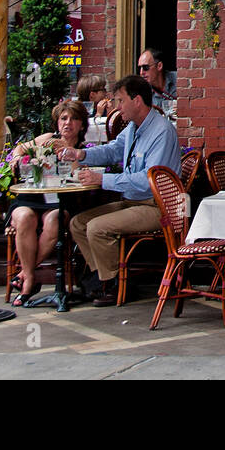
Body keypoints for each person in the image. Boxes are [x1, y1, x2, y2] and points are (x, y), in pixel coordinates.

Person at [65, 75, 180, 306]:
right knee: (78, 223)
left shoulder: (162, 131)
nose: (116, 107)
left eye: (120, 100)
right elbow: (113, 150)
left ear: (137, 100)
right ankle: (104, 279)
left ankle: (115, 284)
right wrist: (82, 155)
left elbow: (150, 181)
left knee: (97, 227)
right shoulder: (133, 128)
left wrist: (102, 179)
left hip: (157, 206)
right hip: (133, 201)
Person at [8, 99, 90, 307]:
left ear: (82, 125)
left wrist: (68, 152)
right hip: (32, 196)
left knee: (55, 220)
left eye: (74, 119)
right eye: (63, 118)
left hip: (60, 201)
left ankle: (25, 278)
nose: (67, 123)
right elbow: (19, 149)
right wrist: (17, 159)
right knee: (25, 217)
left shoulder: (84, 150)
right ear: (57, 122)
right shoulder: (46, 139)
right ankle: (29, 277)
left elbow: (76, 175)